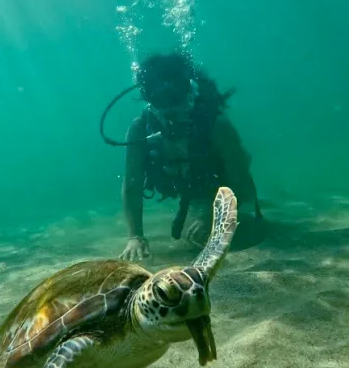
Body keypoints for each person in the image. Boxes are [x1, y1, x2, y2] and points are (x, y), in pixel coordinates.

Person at [102, 52, 262, 261]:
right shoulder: (140, 130)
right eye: (159, 99)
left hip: (220, 190)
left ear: (188, 92)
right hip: (191, 189)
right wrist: (135, 236)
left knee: (241, 230)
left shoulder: (217, 127)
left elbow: (239, 179)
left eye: (175, 97)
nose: (169, 108)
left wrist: (212, 217)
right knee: (194, 234)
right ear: (147, 97)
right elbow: (132, 184)